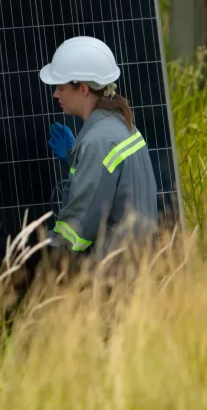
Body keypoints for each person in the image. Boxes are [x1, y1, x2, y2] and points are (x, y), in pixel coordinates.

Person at [39, 36, 160, 265]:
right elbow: (112, 184)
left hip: (116, 272)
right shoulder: (122, 125)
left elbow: (81, 221)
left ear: (83, 89)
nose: (56, 94)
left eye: (61, 87)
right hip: (138, 259)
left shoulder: (99, 141)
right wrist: (75, 158)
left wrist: (48, 252)